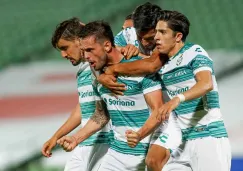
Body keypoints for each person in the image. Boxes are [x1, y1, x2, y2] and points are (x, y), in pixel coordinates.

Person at [104, 10, 232, 171]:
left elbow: (206, 84)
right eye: (156, 31)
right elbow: (141, 63)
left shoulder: (194, 52)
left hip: (207, 136)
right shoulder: (161, 63)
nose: (156, 37)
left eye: (163, 32)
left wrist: (176, 100)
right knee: (153, 162)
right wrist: (140, 135)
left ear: (178, 37)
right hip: (180, 141)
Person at [57, 20, 169, 171]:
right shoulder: (97, 76)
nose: (87, 57)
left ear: (107, 46)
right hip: (117, 154)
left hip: (146, 151)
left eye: (90, 50)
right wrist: (75, 138)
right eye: (84, 51)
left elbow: (159, 111)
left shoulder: (139, 70)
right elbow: (101, 115)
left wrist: (139, 135)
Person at [41, 17, 110, 171]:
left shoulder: (101, 65)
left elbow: (103, 112)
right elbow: (83, 108)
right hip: (85, 142)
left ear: (79, 41)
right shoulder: (83, 71)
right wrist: (56, 137)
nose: (63, 55)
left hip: (105, 142)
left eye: (65, 47)